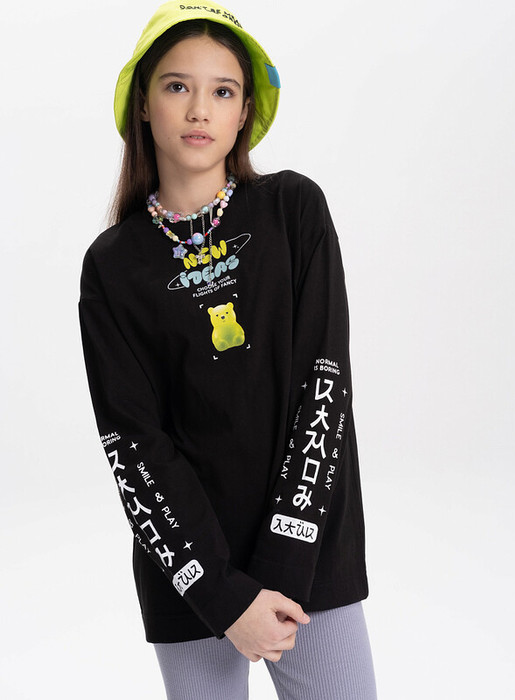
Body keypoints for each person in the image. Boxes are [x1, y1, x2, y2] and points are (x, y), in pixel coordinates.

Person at [78, 2, 377, 698]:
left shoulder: (293, 210)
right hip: (189, 578)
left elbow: (323, 390)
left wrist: (282, 569)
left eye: (222, 90)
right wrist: (223, 595)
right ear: (143, 104)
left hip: (310, 563)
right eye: (176, 86)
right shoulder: (112, 266)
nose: (198, 109)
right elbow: (133, 442)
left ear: (244, 112)